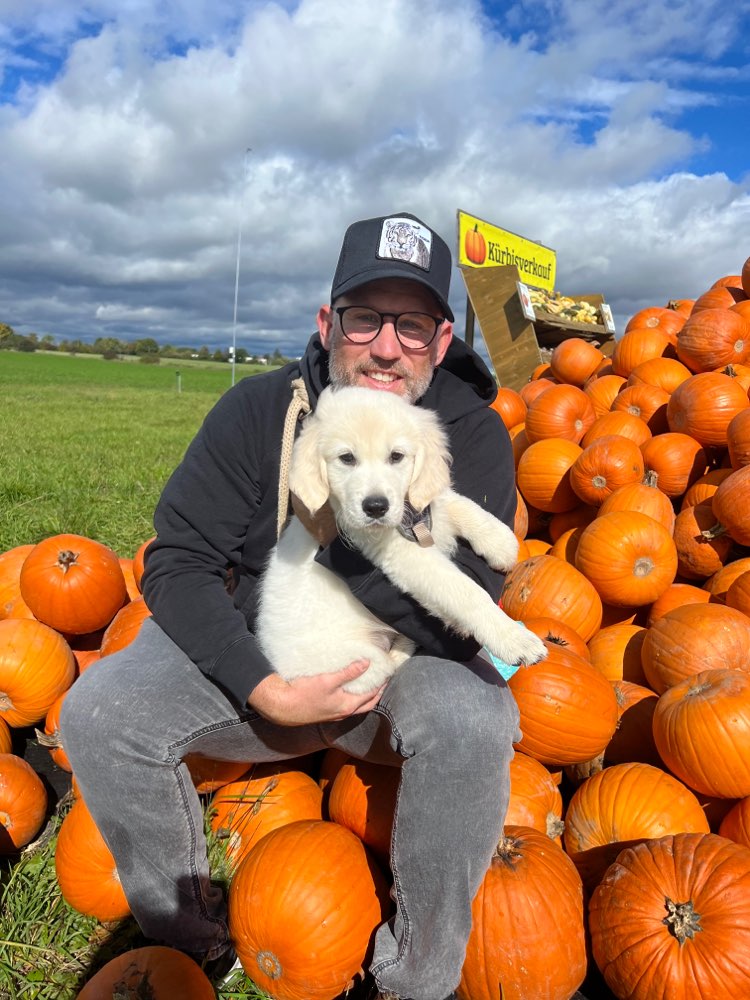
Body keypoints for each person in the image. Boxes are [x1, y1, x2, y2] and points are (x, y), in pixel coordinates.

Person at [60, 211, 521, 1000]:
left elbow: (466, 606)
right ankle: (188, 933)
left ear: (442, 340)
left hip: (396, 669)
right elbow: (178, 560)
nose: (386, 347)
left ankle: (416, 977)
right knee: (99, 712)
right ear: (327, 322)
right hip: (264, 658)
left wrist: (341, 539)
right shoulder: (256, 411)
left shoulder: (470, 433)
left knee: (476, 718)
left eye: (412, 326)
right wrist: (263, 685)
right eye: (365, 317)